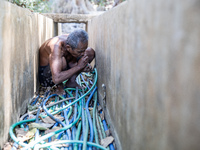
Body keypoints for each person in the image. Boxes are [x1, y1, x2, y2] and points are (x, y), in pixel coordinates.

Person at [38, 29, 95, 94]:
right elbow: (56, 78)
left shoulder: (73, 39)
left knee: (89, 52)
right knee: (63, 61)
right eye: (80, 52)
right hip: (48, 75)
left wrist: (85, 65)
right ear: (68, 47)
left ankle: (72, 81)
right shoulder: (56, 46)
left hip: (62, 65)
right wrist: (79, 67)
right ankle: (58, 86)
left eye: (83, 50)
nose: (83, 53)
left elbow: (76, 58)